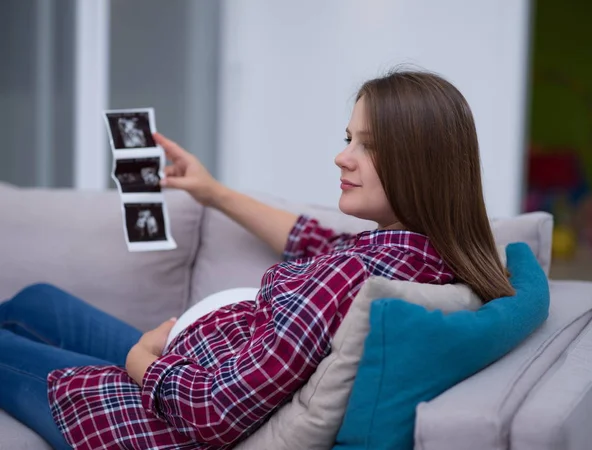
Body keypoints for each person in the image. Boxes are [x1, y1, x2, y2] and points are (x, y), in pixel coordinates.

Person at [0, 70, 514, 449]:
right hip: (188, 358)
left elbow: (216, 413)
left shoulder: (352, 274)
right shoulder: (421, 254)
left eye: (369, 146)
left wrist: (143, 363)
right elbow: (314, 241)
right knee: (39, 301)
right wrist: (212, 192)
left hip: (150, 414)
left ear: (420, 166)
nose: (342, 156)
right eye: (348, 138)